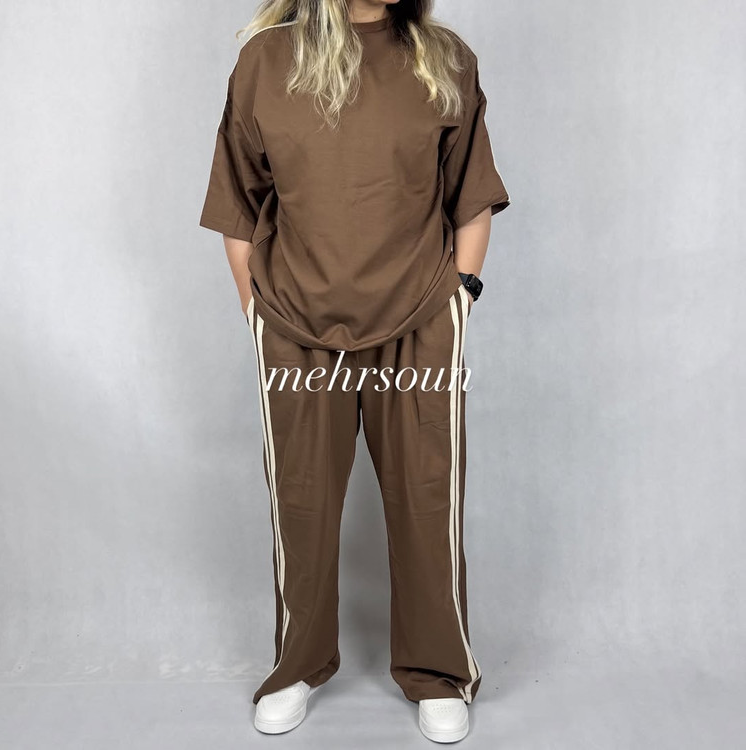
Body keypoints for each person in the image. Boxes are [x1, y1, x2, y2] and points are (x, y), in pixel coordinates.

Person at [199, 0, 510, 742]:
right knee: (301, 503)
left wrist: (461, 297)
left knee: (428, 498)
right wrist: (254, 308)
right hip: (297, 326)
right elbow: (238, 200)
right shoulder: (266, 62)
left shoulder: (446, 59)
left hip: (419, 322)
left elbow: (470, 195)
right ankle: (296, 667)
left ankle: (438, 672)